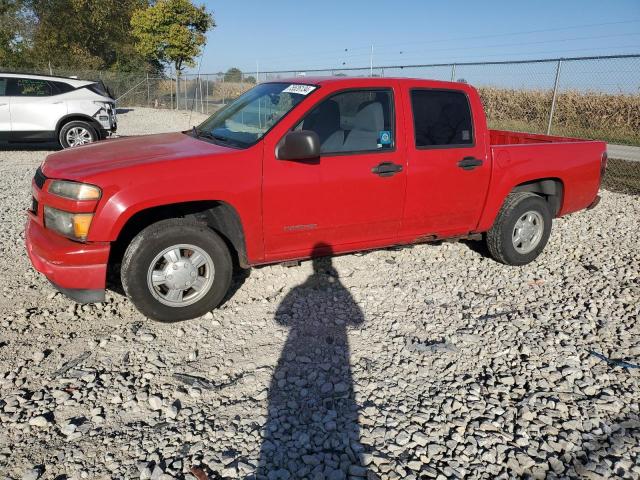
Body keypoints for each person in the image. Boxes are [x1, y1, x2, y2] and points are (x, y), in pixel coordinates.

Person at [257, 243, 366, 478]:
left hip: (294, 349)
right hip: (337, 356)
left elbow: (279, 319)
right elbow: (358, 319)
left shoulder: (297, 290)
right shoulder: (340, 291)